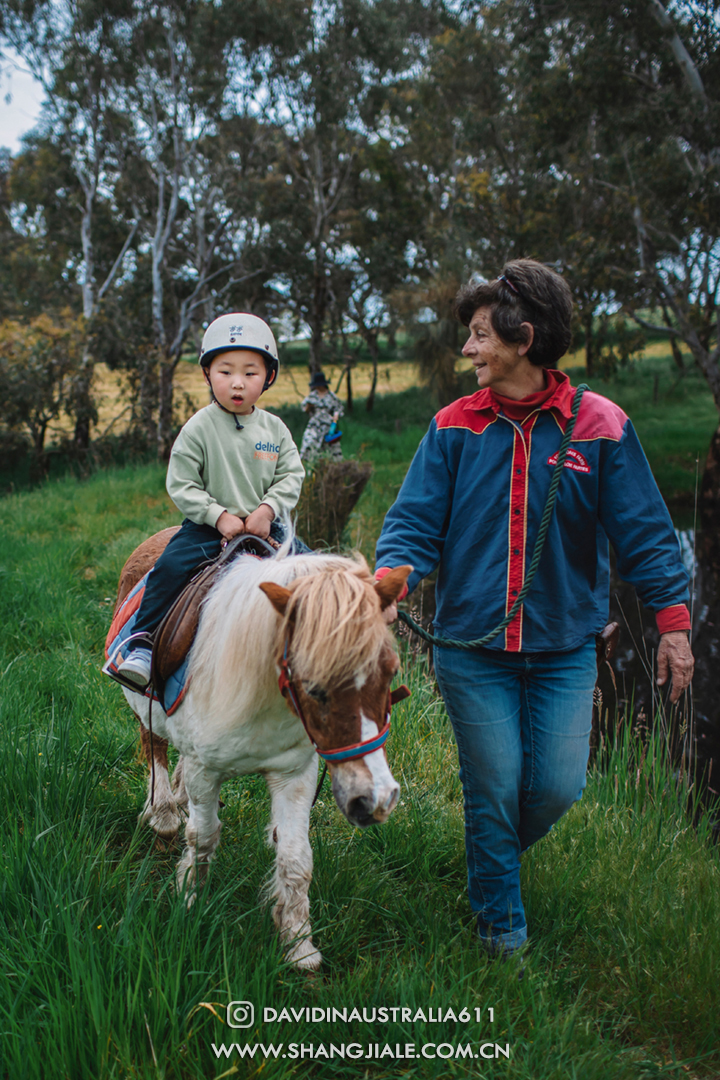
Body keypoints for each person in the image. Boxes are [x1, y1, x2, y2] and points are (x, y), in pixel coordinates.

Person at [374, 259, 694, 957]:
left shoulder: (602, 426)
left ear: (523, 336)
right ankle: (501, 935)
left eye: (481, 335)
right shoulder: (454, 426)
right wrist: (388, 589)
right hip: (470, 649)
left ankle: (487, 863)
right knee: (493, 787)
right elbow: (413, 526)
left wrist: (673, 628)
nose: (468, 349)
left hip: (566, 647)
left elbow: (645, 532)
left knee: (555, 787)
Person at [116, 313, 305, 689]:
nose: (237, 383)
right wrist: (218, 516)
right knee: (169, 568)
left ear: (268, 377)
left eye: (250, 373)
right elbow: (182, 482)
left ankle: (322, 649)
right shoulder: (199, 427)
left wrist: (267, 510)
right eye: (225, 372)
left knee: (313, 571)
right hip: (207, 528)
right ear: (207, 375)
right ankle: (144, 643)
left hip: (267, 526)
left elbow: (291, 475)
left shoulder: (275, 429)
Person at [300, 371, 344, 461]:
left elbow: (339, 408)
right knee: (308, 442)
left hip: (328, 425)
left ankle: (333, 466)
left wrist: (336, 415)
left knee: (331, 449)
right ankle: (307, 464)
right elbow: (304, 408)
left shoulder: (331, 396)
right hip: (314, 424)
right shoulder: (312, 396)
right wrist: (309, 407)